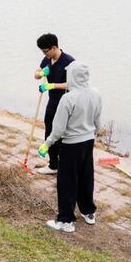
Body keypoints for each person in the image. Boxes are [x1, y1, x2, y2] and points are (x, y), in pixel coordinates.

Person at [38, 61, 102, 233]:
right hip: (88, 142)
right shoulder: (96, 94)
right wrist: (92, 135)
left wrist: (47, 143)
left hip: (71, 144)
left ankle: (66, 221)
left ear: (73, 76)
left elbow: (58, 129)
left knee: (67, 181)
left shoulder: (68, 98)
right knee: (86, 176)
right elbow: (98, 122)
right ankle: (88, 211)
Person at [34, 33, 76, 175]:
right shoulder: (47, 59)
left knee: (63, 135)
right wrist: (41, 73)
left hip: (65, 104)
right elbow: (36, 74)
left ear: (53, 47)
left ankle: (64, 163)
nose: (44, 54)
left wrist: (52, 85)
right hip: (52, 103)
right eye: (42, 52)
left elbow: (73, 84)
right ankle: (53, 164)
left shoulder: (69, 62)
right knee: (49, 131)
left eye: (45, 51)